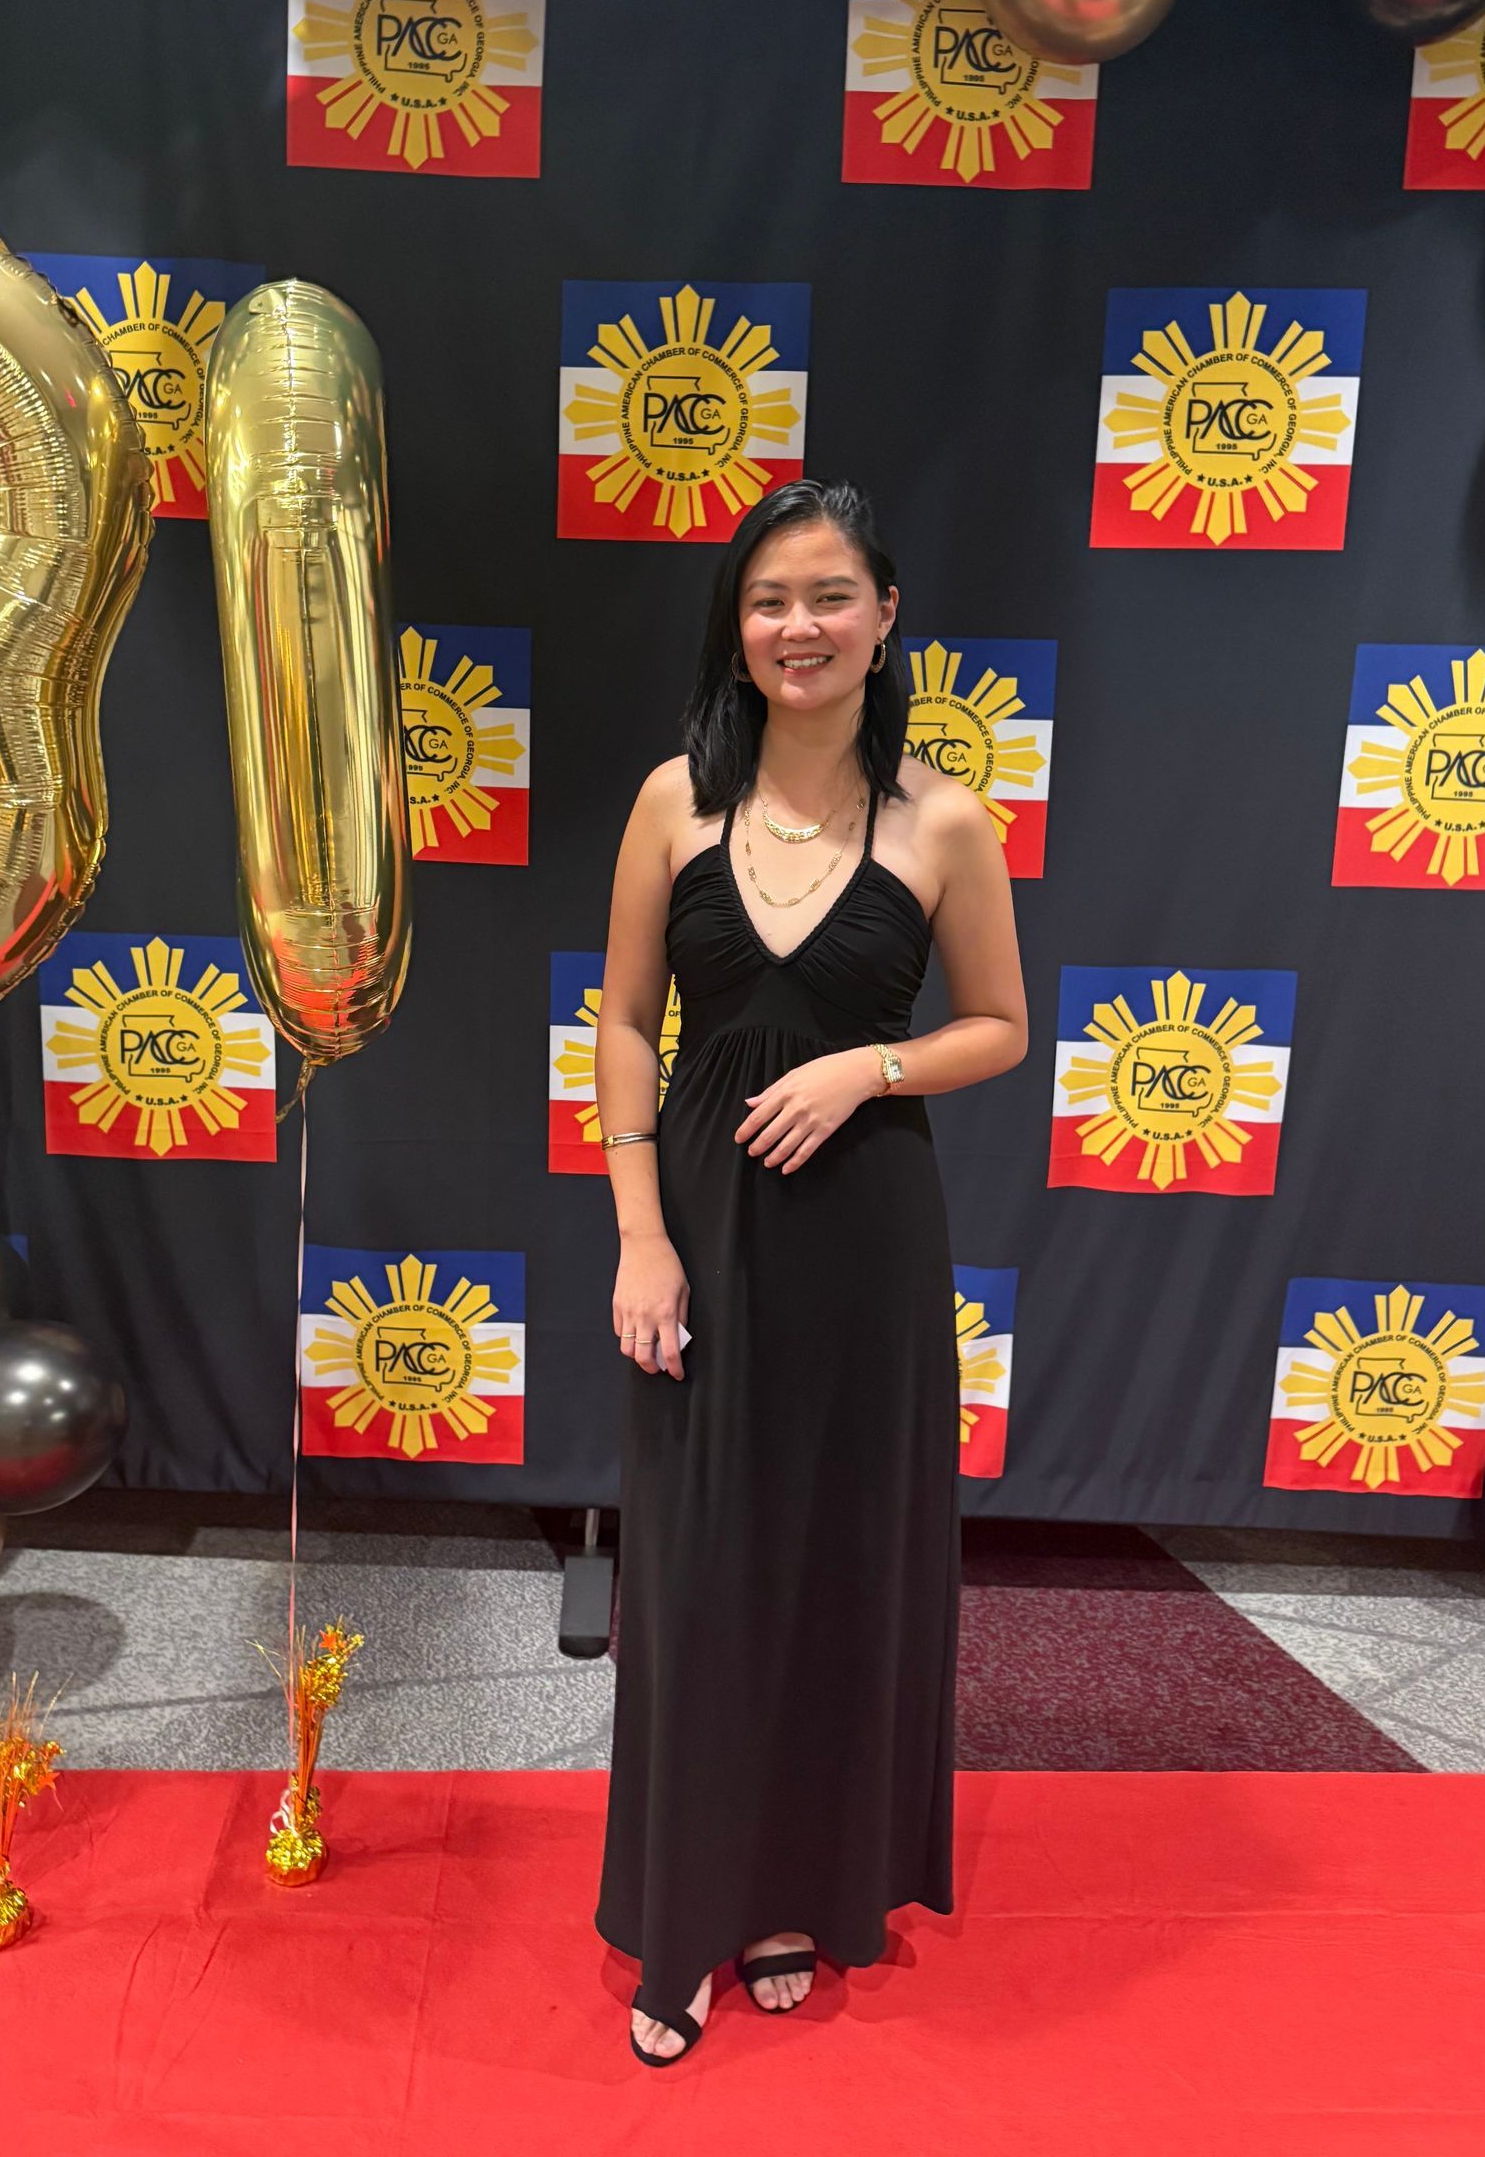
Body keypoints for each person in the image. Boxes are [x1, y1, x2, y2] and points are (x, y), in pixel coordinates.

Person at [592, 476, 1030, 2066]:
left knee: (844, 1564)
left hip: (867, 1241)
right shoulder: (669, 805)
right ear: (739, 623)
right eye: (771, 600)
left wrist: (869, 1071)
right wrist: (640, 1234)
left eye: (831, 595)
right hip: (701, 1227)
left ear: (885, 616)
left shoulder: (943, 821)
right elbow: (629, 1020)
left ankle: (796, 1899)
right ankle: (684, 1910)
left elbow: (1003, 1027)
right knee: (704, 1574)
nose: (800, 627)